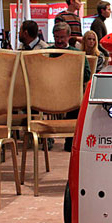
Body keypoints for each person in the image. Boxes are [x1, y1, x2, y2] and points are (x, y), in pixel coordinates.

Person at [47, 22, 91, 152]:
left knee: (76, 102)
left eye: (62, 37)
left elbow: (87, 74)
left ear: (68, 37)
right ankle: (46, 138)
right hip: (49, 92)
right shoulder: (48, 52)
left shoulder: (77, 54)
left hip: (70, 93)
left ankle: (70, 141)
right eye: (56, 37)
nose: (59, 40)